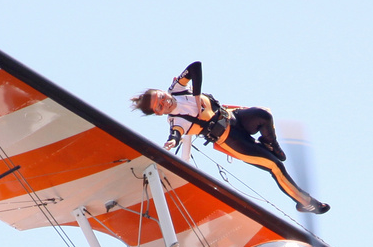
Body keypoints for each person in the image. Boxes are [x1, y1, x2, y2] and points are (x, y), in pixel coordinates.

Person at [131, 62, 328, 215]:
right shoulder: (176, 121)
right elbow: (176, 134)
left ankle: (270, 143)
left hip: (234, 118)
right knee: (275, 166)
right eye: (159, 105)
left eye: (161, 96)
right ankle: (306, 203)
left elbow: (195, 67)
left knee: (263, 115)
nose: (165, 101)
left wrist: (197, 96)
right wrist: (173, 142)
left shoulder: (176, 89)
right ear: (158, 113)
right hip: (233, 141)